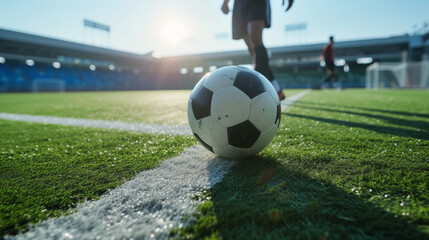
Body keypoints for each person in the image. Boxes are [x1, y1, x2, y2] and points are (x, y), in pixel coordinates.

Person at [221, 0, 294, 100]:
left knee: (255, 37)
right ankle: (275, 88)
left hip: (257, 2)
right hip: (240, 4)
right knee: (252, 48)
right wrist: (225, 2)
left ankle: (258, 88)